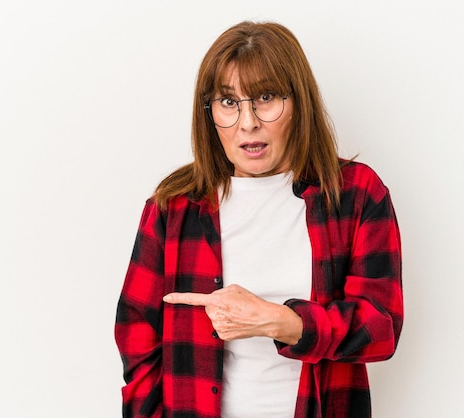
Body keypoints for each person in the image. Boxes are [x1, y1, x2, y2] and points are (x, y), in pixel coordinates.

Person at [115, 20, 403, 418]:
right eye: (229, 102)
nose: (248, 122)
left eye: (265, 97)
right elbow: (136, 334)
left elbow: (381, 329)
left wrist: (279, 321)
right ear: (210, 113)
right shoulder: (174, 207)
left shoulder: (355, 194)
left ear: (298, 102)